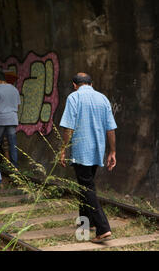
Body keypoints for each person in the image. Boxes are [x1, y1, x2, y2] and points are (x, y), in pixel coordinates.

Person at [59, 73, 117, 243]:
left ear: (74, 85)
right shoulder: (103, 99)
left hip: (81, 151)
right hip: (97, 150)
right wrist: (112, 152)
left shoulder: (74, 97)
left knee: (87, 187)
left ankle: (103, 228)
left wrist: (63, 149)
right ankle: (86, 222)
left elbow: (68, 127)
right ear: (91, 83)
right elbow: (111, 128)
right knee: (85, 186)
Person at [0, 71, 21, 168]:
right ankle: (14, 167)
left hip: (0, 119)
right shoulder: (14, 89)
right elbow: (18, 105)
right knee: (13, 143)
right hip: (12, 118)